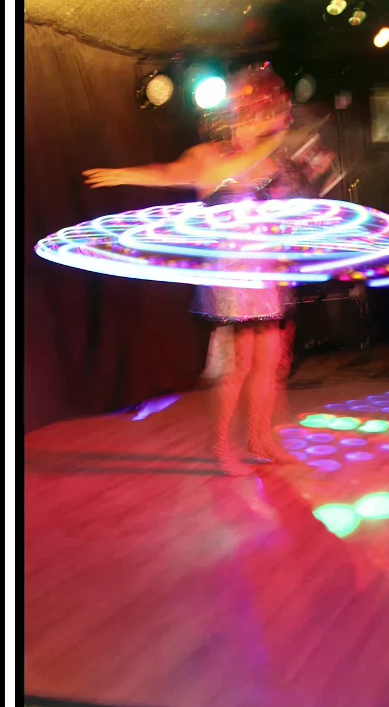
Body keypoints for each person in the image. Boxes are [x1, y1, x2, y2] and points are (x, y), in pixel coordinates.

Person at [83, 63, 322, 477]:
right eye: (249, 114)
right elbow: (168, 174)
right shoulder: (212, 157)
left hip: (265, 271)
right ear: (232, 117)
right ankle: (221, 446)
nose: (255, 121)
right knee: (240, 363)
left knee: (269, 361)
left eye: (260, 114)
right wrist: (122, 174)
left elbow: (289, 204)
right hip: (232, 273)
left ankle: (260, 437)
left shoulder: (268, 160)